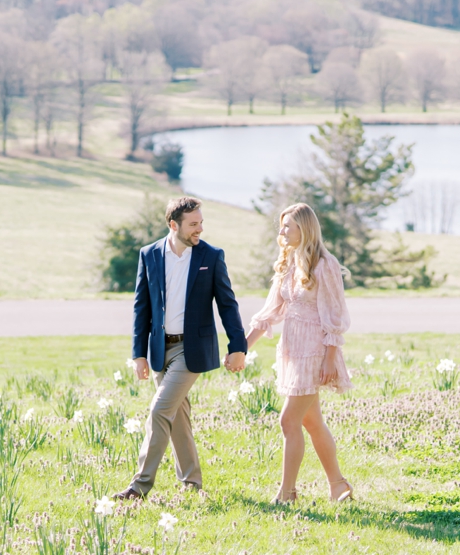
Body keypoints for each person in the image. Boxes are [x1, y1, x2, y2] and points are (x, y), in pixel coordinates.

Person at [114, 196, 248, 501]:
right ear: (173, 225)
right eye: (193, 224)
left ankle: (139, 486)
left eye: (201, 223)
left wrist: (238, 346)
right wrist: (139, 354)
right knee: (178, 415)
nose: (199, 229)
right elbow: (141, 308)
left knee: (160, 410)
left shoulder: (211, 256)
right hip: (162, 349)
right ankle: (192, 483)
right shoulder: (149, 255)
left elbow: (227, 304)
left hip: (193, 350)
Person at [245, 202, 355, 503]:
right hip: (293, 351)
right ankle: (338, 485)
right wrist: (242, 348)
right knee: (311, 421)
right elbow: (271, 312)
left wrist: (331, 357)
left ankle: (287, 493)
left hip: (315, 352)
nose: (282, 231)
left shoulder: (324, 264)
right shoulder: (290, 262)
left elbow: (335, 313)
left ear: (303, 228)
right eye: (281, 226)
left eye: (287, 226)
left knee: (288, 421)